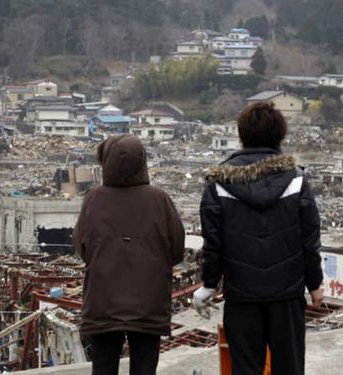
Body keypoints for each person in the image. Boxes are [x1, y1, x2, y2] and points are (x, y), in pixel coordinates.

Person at [194, 102, 324, 375]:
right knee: (289, 368)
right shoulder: (297, 180)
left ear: (242, 135)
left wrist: (208, 284)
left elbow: (213, 243)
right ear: (280, 136)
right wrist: (315, 284)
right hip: (286, 296)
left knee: (245, 369)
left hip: (241, 297)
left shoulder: (218, 183)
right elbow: (309, 239)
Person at [73, 134, 185, 375]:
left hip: (103, 302)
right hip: (149, 303)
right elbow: (176, 250)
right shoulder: (159, 199)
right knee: (145, 369)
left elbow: (82, 248)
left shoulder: (93, 199)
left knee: (103, 368)